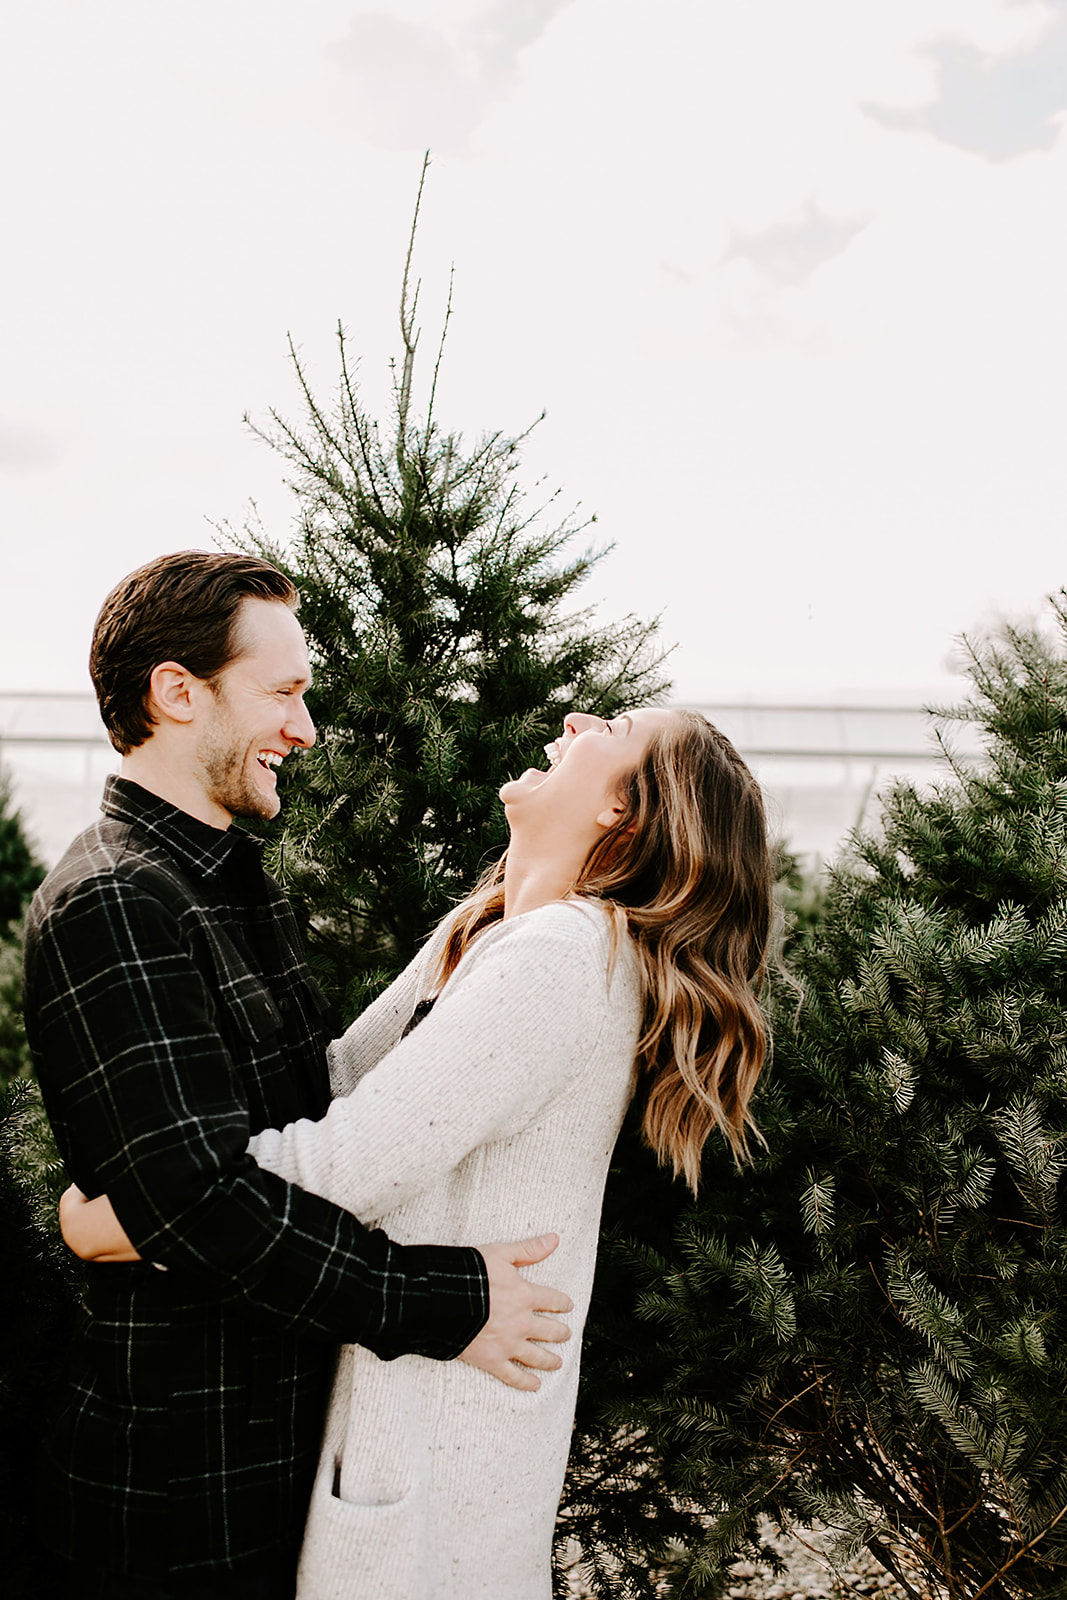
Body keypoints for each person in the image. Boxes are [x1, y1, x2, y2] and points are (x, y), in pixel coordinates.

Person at [62, 695, 776, 1599]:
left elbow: (341, 1164)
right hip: (413, 1417)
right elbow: (329, 1083)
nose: (574, 723)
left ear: (621, 811)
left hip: (440, 1460)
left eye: (613, 732)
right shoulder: (487, 930)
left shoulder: (565, 957)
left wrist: (119, 1220)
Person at [24, 551, 573, 1600]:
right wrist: (442, 1303)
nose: (305, 728)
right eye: (282, 692)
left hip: (280, 1453)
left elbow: (321, 1125)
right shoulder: (115, 901)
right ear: (176, 693)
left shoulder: (237, 891)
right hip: (182, 1493)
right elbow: (199, 1204)